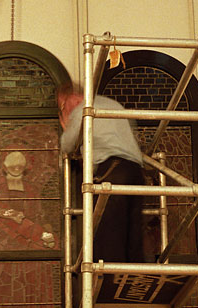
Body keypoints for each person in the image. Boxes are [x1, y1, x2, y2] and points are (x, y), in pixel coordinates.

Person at [58, 85, 145, 262]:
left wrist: (67, 123)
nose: (64, 109)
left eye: (62, 105)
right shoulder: (113, 105)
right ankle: (133, 282)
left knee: (109, 235)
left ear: (74, 98)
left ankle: (110, 285)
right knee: (132, 235)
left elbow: (67, 145)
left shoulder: (84, 108)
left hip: (111, 171)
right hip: (136, 171)